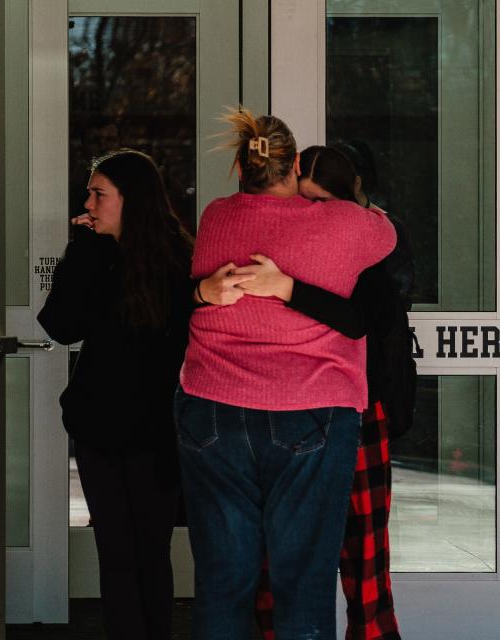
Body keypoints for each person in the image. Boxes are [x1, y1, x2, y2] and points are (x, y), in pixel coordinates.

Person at [176, 109, 396, 639]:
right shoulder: (340, 223)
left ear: (239, 166)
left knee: (224, 582)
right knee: (303, 581)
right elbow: (386, 231)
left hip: (211, 411)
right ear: (295, 166)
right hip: (308, 411)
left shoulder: (215, 217)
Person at [244, 145, 415, 640]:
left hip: (357, 406)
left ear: (346, 199)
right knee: (280, 548)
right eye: (304, 200)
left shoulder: (374, 237)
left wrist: (292, 288)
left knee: (363, 555)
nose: (310, 213)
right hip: (290, 404)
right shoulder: (284, 232)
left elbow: (370, 319)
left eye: (320, 202)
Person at [37, 149, 194, 640]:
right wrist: (82, 248)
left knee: (149, 550)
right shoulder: (94, 252)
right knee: (115, 552)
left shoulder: (179, 260)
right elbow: (60, 325)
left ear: (132, 199)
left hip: (158, 434)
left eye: (98, 193)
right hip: (100, 432)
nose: (87, 203)